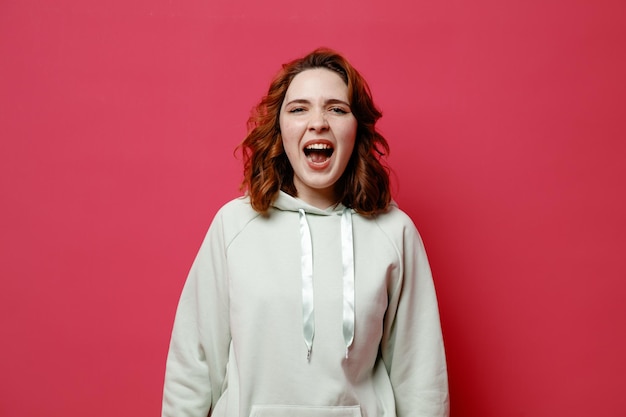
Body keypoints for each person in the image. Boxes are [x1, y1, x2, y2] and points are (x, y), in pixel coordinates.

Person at [162, 48, 449, 417]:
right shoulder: (233, 226)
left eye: (336, 108)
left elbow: (421, 378)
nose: (318, 122)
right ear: (279, 131)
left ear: (356, 128)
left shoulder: (395, 233)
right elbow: (193, 366)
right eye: (299, 109)